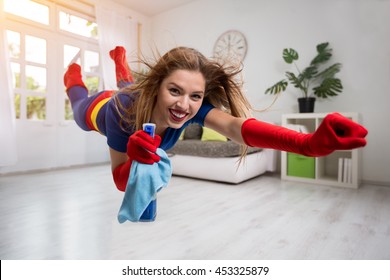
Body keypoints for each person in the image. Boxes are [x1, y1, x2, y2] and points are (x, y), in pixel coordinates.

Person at [64, 46, 368, 192]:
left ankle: (121, 65)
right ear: (158, 87)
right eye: (174, 90)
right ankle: (73, 76)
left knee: (130, 87)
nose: (184, 105)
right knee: (78, 104)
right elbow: (120, 180)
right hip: (99, 109)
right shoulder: (120, 114)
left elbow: (236, 126)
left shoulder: (189, 106)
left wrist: (308, 144)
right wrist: (133, 158)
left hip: (135, 93)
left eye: (195, 95)